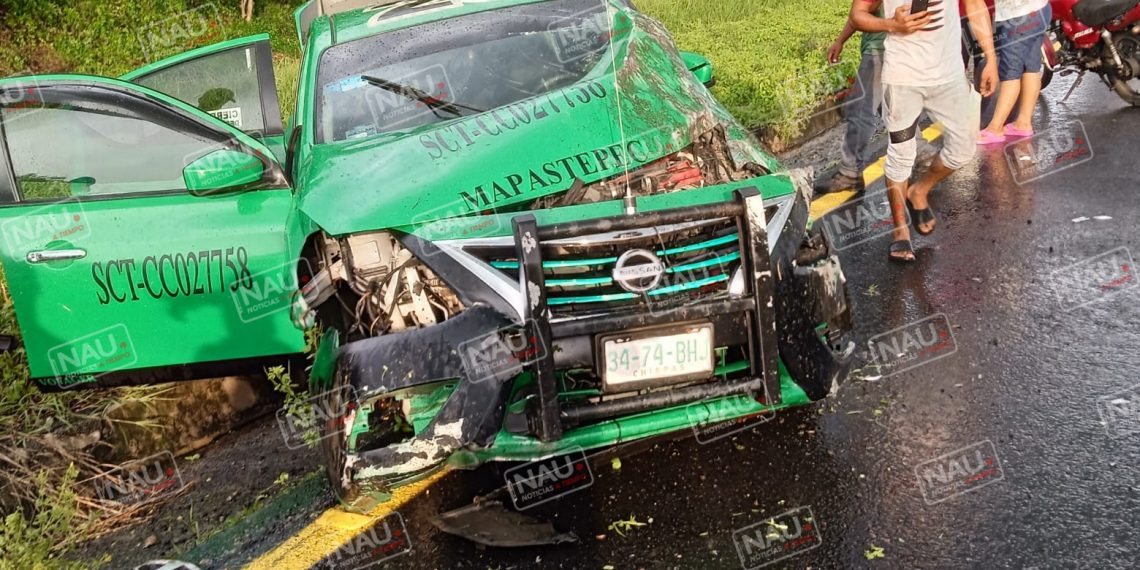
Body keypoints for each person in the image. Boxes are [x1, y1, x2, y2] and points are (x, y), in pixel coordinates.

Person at [850, 0, 998, 263]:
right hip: (902, 78)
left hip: (950, 77)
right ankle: (900, 232)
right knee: (901, 154)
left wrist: (990, 56)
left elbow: (975, 5)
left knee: (963, 150)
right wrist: (891, 24)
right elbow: (858, 15)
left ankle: (919, 190)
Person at [822, 13, 886, 194]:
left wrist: (840, 40)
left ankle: (850, 173)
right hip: (893, 49)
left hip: (879, 51)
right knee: (892, 110)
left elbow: (860, 12)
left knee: (859, 111)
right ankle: (922, 154)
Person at [978, 0, 1052, 143]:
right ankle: (1023, 122)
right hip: (1040, 9)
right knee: (1031, 67)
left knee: (1010, 72)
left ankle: (995, 128)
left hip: (1016, 17)